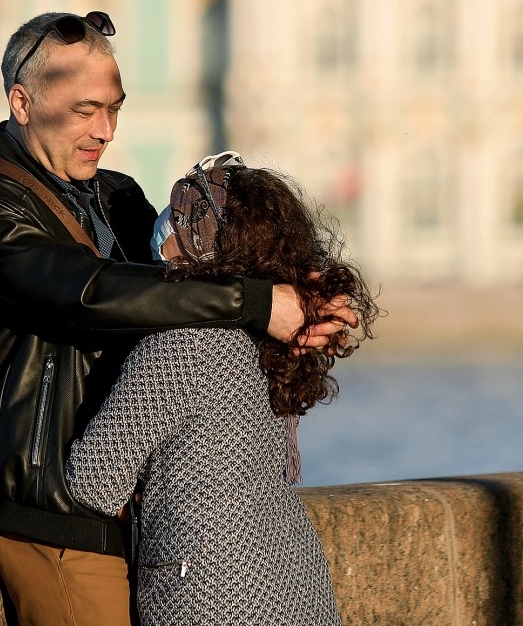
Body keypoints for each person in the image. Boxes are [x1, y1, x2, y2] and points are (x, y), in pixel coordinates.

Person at [0, 11, 354, 626]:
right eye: (84, 110)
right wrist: (260, 302)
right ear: (22, 103)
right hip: (54, 514)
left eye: (115, 108)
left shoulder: (116, 193)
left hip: (131, 512)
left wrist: (305, 301)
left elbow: (188, 285)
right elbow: (90, 292)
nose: (104, 129)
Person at [66, 153, 378, 626]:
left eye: (174, 222)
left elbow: (93, 483)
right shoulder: (278, 338)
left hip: (210, 592)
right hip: (298, 581)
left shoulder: (179, 346)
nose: (161, 233)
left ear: (198, 245)